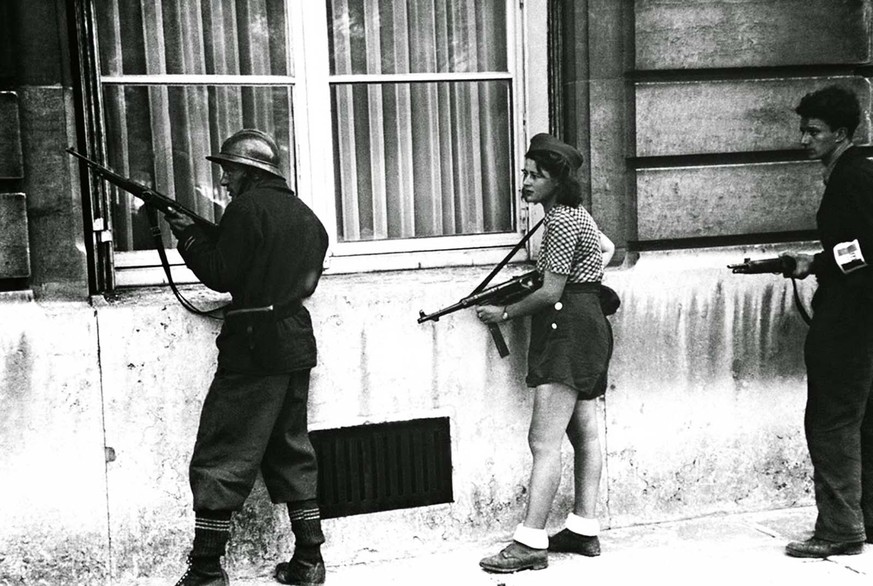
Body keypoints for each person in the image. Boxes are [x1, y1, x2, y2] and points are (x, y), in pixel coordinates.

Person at [163, 129, 330, 585]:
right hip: (295, 341)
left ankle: (206, 571)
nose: (223, 182)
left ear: (250, 173)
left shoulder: (245, 210)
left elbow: (223, 274)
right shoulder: (307, 216)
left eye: (228, 171)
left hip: (254, 348)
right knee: (291, 450)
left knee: (222, 454)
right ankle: (309, 561)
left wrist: (188, 239)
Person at [475, 133, 614, 573]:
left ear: (558, 180)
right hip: (588, 322)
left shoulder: (559, 222)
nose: (526, 182)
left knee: (543, 442)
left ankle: (531, 542)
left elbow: (550, 290)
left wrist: (505, 313)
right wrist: (587, 275)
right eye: (525, 173)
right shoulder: (577, 215)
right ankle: (584, 529)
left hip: (566, 328)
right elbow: (606, 249)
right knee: (585, 432)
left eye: (536, 175)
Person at [781, 85, 873, 558]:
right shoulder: (860, 170)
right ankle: (863, 519)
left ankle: (839, 529)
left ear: (841, 133)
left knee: (830, 422)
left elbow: (862, 251)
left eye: (813, 132)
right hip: (863, 318)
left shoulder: (851, 177)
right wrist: (813, 262)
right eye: (803, 130)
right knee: (860, 419)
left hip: (849, 319)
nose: (804, 140)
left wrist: (821, 266)